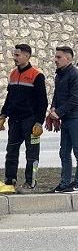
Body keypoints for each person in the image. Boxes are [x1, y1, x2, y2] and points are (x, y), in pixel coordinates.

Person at [0, 44, 48, 193]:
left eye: (17, 55)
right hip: (15, 120)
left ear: (27, 56)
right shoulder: (13, 73)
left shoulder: (36, 75)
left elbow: (42, 101)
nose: (14, 58)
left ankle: (30, 182)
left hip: (30, 121)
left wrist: (39, 122)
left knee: (32, 153)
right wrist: (3, 114)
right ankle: (9, 180)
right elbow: (9, 96)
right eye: (14, 55)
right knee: (11, 151)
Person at [48, 46, 78, 193]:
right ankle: (64, 184)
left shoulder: (74, 75)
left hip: (75, 118)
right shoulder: (59, 74)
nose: (55, 60)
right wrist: (53, 107)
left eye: (59, 57)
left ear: (69, 58)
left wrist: (58, 112)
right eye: (55, 57)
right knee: (64, 152)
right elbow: (57, 95)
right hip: (66, 119)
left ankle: (77, 183)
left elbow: (75, 98)